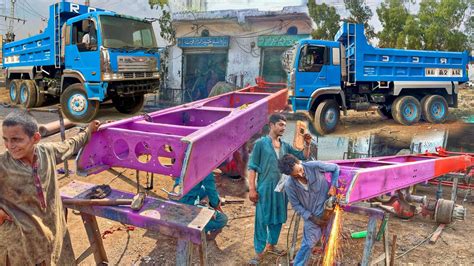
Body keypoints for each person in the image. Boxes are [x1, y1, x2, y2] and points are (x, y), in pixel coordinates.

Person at [0, 110, 100, 265]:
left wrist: (89, 130)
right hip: (20, 243)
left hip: (53, 231)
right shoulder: (2, 165)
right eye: (5, 139)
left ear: (35, 138)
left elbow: (70, 145)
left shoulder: (48, 152)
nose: (10, 146)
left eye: (16, 139)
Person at [248, 113, 311, 262]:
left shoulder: (285, 146)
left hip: (282, 190)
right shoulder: (260, 144)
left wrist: (307, 144)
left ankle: (271, 245)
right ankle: (259, 252)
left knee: (278, 217)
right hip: (265, 189)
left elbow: (303, 156)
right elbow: (252, 168)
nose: (283, 127)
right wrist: (252, 189)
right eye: (281, 124)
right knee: (262, 219)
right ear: (271, 125)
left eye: (285, 125)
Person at [278, 154, 340, 266]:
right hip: (312, 217)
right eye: (296, 175)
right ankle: (299, 264)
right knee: (308, 244)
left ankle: (329, 260)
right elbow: (296, 206)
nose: (301, 174)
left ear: (298, 162)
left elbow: (336, 168)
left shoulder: (314, 166)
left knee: (330, 237)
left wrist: (333, 186)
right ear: (289, 175)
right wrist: (314, 219)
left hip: (329, 210)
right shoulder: (289, 186)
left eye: (300, 170)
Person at [173, 172, 228, 240]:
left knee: (203, 189)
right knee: (222, 219)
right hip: (187, 207)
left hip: (175, 199)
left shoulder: (183, 162)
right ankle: (195, 228)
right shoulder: (206, 167)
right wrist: (217, 205)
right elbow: (211, 192)